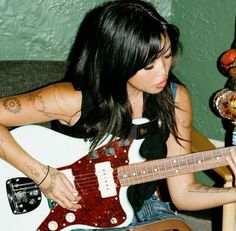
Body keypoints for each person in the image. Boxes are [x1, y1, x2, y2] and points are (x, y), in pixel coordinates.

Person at [0, 0, 236, 230]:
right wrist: (43, 177)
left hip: (143, 208)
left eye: (167, 57)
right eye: (149, 66)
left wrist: (232, 193)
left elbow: (183, 193)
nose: (163, 73)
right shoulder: (72, 99)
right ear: (118, 60)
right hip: (72, 215)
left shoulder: (175, 98)